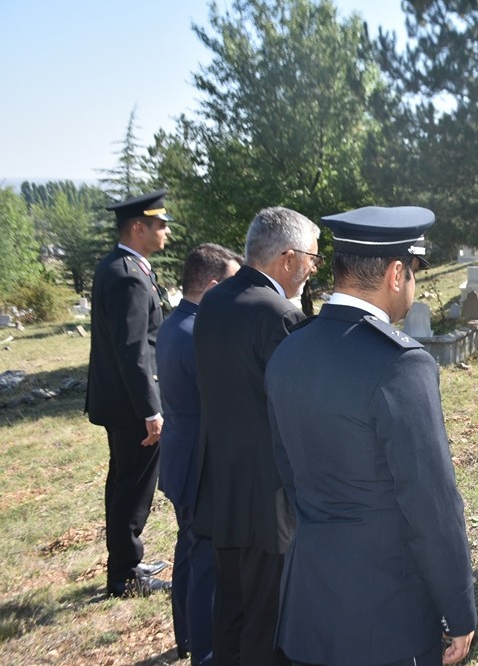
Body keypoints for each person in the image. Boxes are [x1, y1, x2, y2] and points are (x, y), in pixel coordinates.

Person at [265, 206, 476, 666]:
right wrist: (459, 608)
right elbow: (432, 505)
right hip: (385, 618)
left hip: (308, 606)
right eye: (414, 271)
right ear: (396, 274)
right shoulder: (400, 365)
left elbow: (289, 472)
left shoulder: (288, 352)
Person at [192, 206, 321, 666]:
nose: (313, 269)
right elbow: (300, 411)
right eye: (312, 258)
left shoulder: (213, 301)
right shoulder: (279, 315)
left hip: (222, 488)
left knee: (230, 613)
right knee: (270, 623)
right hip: (269, 500)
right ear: (288, 259)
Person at [157, 243, 243, 664]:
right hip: (199, 462)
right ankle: (206, 652)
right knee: (206, 561)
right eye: (231, 285)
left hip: (180, 455)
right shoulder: (199, 335)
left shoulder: (176, 323)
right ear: (211, 287)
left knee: (190, 552)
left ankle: (189, 636)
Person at [86, 189, 174, 598]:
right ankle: (125, 575)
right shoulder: (128, 275)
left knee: (123, 484)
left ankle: (125, 562)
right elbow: (133, 350)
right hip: (132, 406)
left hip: (121, 401)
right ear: (138, 227)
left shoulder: (118, 266)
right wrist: (151, 410)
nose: (166, 231)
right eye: (160, 224)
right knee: (133, 488)